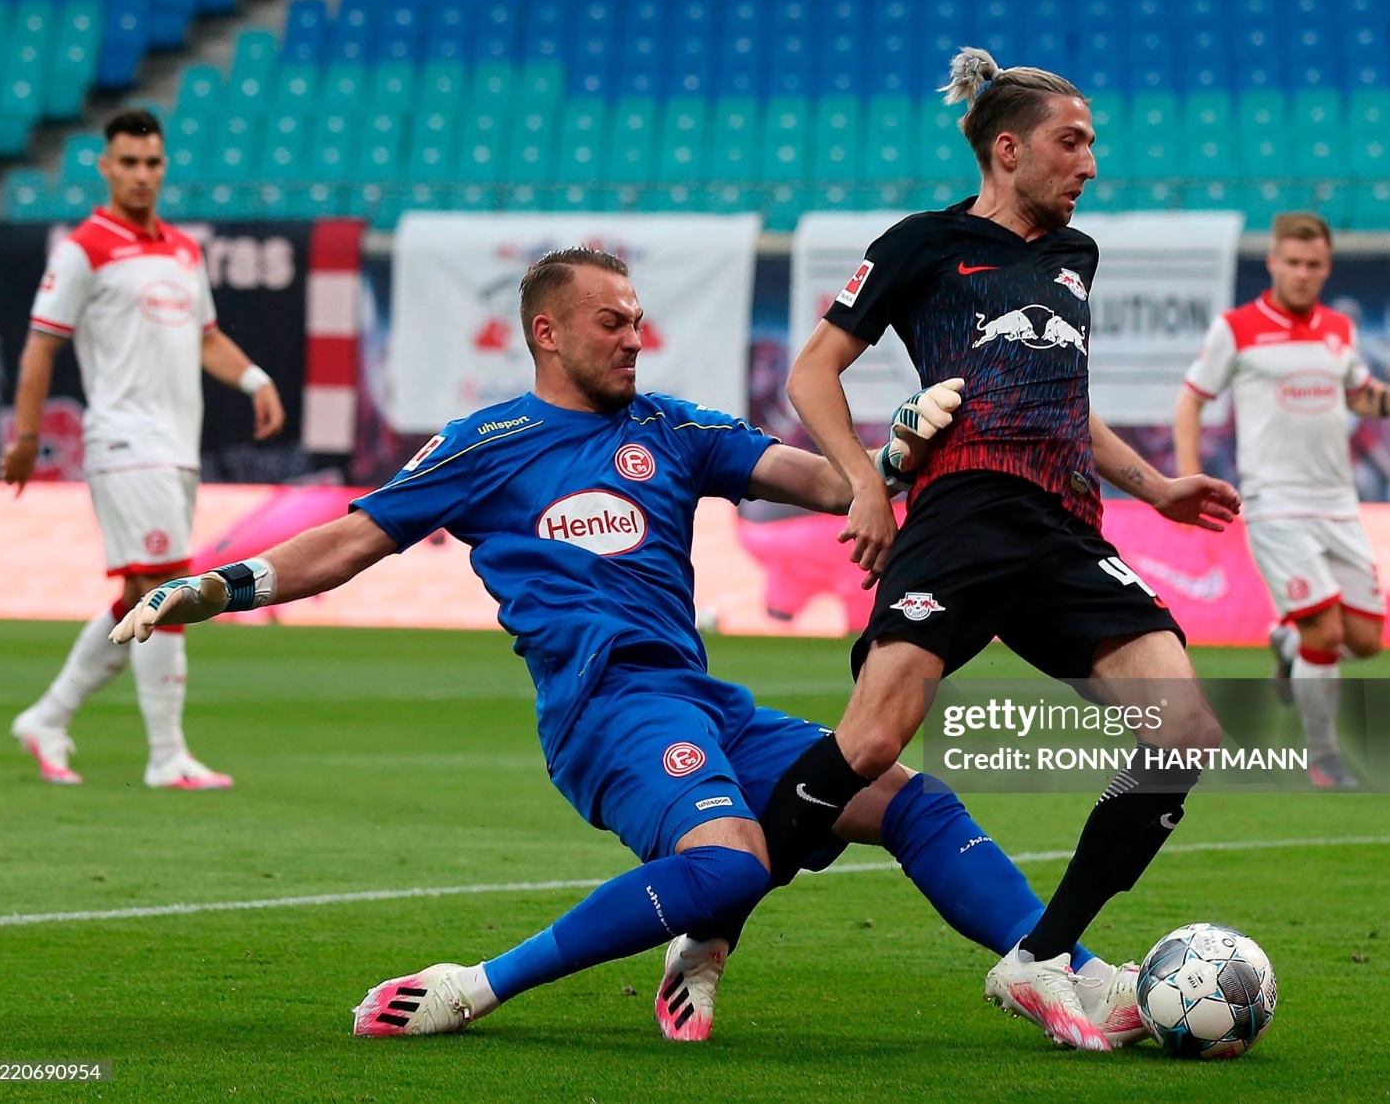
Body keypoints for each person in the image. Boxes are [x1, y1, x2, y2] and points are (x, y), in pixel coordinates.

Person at [112, 248, 1143, 1049]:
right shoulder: (484, 443)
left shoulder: (675, 427)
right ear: (546, 331)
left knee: (910, 796)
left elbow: (825, 484)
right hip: (604, 709)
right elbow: (348, 537)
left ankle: (1070, 967)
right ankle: (477, 983)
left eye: (639, 320)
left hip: (699, 698)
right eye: (612, 321)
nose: (633, 336)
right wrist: (219, 584)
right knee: (728, 864)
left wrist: (892, 446)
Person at [763, 46, 1243, 1049]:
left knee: (1186, 729)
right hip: (962, 513)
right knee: (871, 744)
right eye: (1072, 144)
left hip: (1066, 529)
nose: (1090, 165)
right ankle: (709, 911)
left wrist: (1154, 485)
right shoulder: (921, 245)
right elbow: (814, 372)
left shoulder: (1077, 258)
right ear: (1008, 148)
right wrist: (865, 481)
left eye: (1092, 146)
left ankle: (1039, 956)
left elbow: (1064, 395)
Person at [0, 109, 285, 790]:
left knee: (139, 595)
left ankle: (48, 716)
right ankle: (166, 756)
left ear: (163, 167)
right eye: (127, 162)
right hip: (125, 441)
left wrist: (254, 378)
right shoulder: (84, 249)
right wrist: (27, 437)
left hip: (175, 445)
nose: (141, 174)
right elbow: (43, 342)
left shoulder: (184, 250)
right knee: (168, 588)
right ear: (105, 167)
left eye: (152, 162)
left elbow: (206, 335)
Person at [1173, 212, 1390, 787]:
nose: (1303, 274)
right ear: (1273, 262)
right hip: (1276, 503)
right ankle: (1323, 757)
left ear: (1327, 268)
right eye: (1293, 262)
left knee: (1367, 642)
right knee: (1325, 635)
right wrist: (1186, 478)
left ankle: (1287, 642)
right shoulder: (1238, 327)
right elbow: (1191, 401)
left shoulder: (1338, 330)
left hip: (1338, 504)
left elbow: (1363, 397)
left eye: (1314, 265)